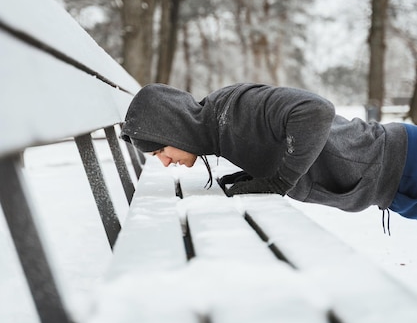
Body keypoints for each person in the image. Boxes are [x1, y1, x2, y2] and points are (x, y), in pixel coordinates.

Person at [121, 82, 417, 225]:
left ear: (172, 127)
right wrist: (264, 171)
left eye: (160, 149)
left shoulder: (233, 108)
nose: (165, 160)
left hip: (403, 161)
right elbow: (272, 137)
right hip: (391, 184)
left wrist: (280, 181)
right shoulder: (219, 127)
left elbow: (316, 110)